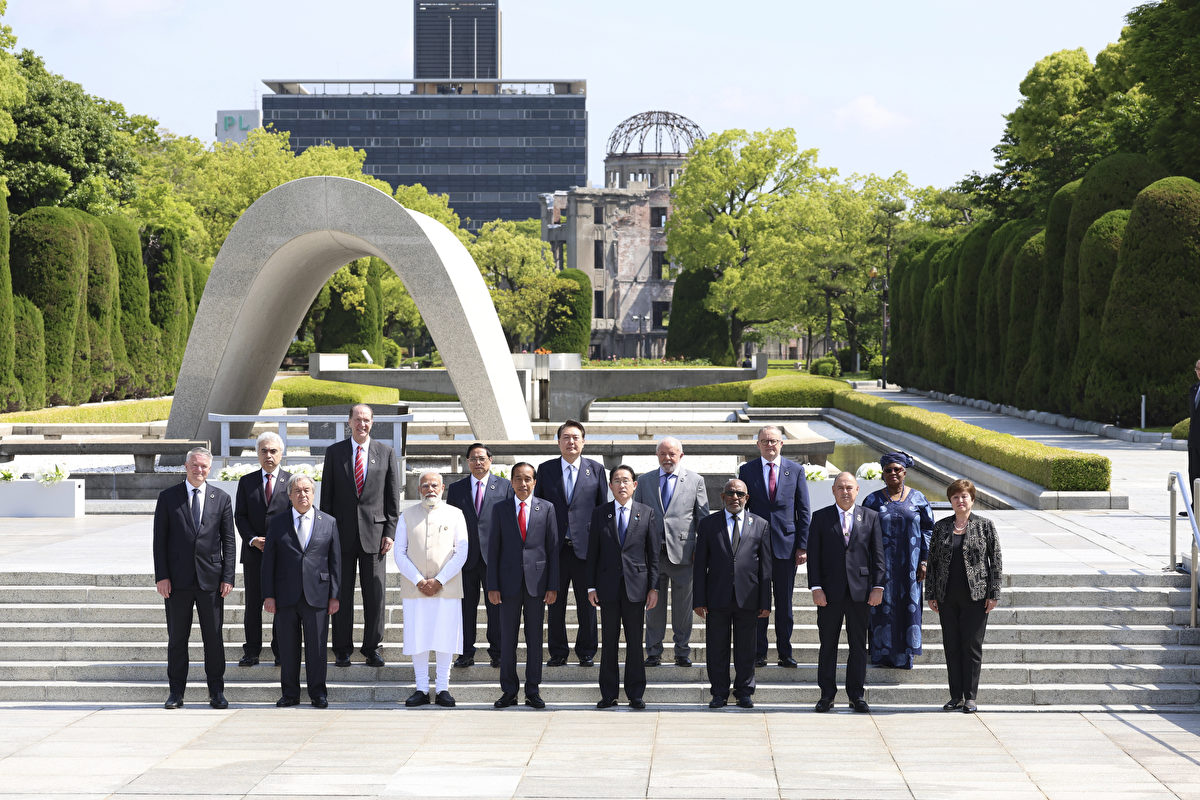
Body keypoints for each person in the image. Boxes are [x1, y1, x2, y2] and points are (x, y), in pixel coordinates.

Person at [153, 447, 235, 710]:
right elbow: (159, 542)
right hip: (177, 582)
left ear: (209, 469)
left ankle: (216, 692)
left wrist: (228, 576)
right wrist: (162, 576)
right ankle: (176, 692)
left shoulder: (221, 498)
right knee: (178, 638)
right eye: (195, 466)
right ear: (186, 466)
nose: (199, 470)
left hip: (211, 581)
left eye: (204, 467)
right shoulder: (168, 497)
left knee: (213, 639)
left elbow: (229, 542)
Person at [320, 403, 400, 668]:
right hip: (340, 535)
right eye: (358, 419)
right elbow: (327, 499)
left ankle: (371, 648)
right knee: (341, 593)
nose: (362, 424)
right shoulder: (334, 453)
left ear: (372, 423)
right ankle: (342, 649)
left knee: (375, 595)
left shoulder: (386, 453)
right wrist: (326, 533)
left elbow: (392, 499)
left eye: (366, 420)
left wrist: (390, 532)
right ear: (349, 422)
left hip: (375, 536)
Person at [808, 471, 885, 713]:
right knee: (828, 645)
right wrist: (816, 587)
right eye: (840, 487)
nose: (845, 492)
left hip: (860, 593)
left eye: (849, 487)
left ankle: (856, 695)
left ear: (857, 490)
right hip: (829, 593)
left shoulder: (870, 517)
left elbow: (878, 557)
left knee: (858, 646)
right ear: (833, 490)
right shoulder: (820, 517)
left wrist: (878, 587)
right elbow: (814, 557)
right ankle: (827, 695)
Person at [262, 475, 341, 708]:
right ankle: (290, 693)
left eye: (307, 490)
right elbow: (268, 563)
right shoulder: (277, 523)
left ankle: (318, 693)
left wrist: (335, 595)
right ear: (289, 495)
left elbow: (336, 562)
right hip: (285, 595)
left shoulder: (329, 522)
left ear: (313, 493)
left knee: (317, 648)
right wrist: (269, 595)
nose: (302, 495)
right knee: (287, 648)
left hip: (318, 594)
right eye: (297, 491)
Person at [692, 478, 771, 709]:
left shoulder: (761, 524)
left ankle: (744, 692)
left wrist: (766, 600)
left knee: (747, 648)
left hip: (749, 596)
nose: (734, 497)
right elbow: (700, 566)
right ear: (722, 497)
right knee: (717, 648)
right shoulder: (708, 524)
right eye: (730, 493)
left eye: (739, 494)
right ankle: (719, 693)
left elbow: (766, 567)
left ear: (747, 498)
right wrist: (699, 599)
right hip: (717, 596)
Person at [535, 419, 607, 667]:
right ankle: (558, 652)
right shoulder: (545, 470)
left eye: (576, 437)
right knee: (555, 602)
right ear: (558, 442)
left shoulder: (596, 470)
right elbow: (539, 509)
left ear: (584, 442)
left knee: (588, 603)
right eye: (566, 437)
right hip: (555, 548)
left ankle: (587, 651)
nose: (571, 442)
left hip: (586, 549)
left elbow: (602, 512)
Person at [737, 425, 810, 668]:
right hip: (755, 548)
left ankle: (784, 652)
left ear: (782, 444)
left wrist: (802, 546)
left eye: (774, 441)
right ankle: (759, 652)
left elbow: (804, 511)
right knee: (759, 602)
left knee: (784, 604)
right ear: (757, 444)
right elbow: (741, 510)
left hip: (786, 547)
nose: (770, 445)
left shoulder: (795, 470)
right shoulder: (746, 470)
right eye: (765, 441)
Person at [927, 478, 1003, 713]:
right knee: (952, 646)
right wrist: (930, 593)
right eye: (955, 497)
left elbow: (996, 561)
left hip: (976, 596)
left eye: (964, 496)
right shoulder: (941, 527)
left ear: (972, 499)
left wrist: (994, 592)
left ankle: (970, 697)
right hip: (947, 596)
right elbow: (932, 563)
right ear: (950, 501)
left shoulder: (985, 525)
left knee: (971, 646)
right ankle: (955, 696)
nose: (960, 501)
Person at [394, 471, 468, 707]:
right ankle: (422, 688)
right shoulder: (406, 515)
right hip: (416, 589)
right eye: (425, 485)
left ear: (443, 487)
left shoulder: (456, 515)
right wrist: (419, 580)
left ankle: (444, 688)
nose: (430, 489)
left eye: (434, 485)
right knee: (419, 637)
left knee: (445, 636)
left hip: (447, 587)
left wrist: (439, 581)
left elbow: (461, 552)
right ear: (418, 489)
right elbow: (399, 552)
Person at [587, 465, 659, 709]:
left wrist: (653, 588)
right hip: (607, 588)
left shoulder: (646, 513)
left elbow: (653, 555)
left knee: (634, 642)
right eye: (616, 480)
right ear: (610, 486)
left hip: (636, 588)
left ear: (635, 485)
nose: (622, 485)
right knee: (609, 642)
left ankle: (636, 693)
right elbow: (592, 553)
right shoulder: (600, 513)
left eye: (626, 480)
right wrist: (590, 587)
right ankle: (609, 694)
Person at [634, 437, 709, 668]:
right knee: (653, 607)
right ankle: (653, 652)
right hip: (653, 556)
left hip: (684, 555)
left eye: (672, 454)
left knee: (683, 608)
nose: (667, 458)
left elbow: (702, 519)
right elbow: (637, 516)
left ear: (681, 456)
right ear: (657, 456)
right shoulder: (645, 481)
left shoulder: (696, 480)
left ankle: (682, 651)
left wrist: (701, 551)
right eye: (663, 454)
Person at [488, 462, 559, 709]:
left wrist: (553, 585)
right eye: (518, 479)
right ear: (512, 482)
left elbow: (552, 549)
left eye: (527, 479)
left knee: (535, 639)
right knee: (507, 639)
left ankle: (533, 690)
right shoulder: (500, 509)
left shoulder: (547, 508)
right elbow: (493, 549)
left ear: (535, 482)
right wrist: (492, 585)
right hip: (507, 585)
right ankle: (509, 691)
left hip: (537, 585)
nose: (523, 484)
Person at [861, 451, 933, 669]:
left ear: (905, 472)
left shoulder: (919, 498)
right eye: (888, 470)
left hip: (909, 568)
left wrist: (924, 561)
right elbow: (862, 533)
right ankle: (880, 654)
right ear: (882, 474)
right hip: (881, 566)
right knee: (880, 608)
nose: (893, 473)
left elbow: (928, 530)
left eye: (897, 470)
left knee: (907, 608)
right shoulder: (872, 500)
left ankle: (904, 655)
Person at [446, 442, 513, 668]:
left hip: (495, 559)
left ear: (490, 460)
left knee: (496, 607)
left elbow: (510, 523)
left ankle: (498, 652)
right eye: (473, 459)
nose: (478, 463)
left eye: (482, 458)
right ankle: (466, 652)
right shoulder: (457, 489)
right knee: (466, 608)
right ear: (467, 462)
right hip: (466, 559)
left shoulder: (504, 486)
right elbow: (450, 524)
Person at [234, 432, 292, 668]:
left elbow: (295, 516)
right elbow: (240, 515)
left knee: (281, 603)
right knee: (253, 605)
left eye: (273, 451)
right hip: (254, 554)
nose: (268, 455)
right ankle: (252, 650)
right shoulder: (246, 482)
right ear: (257, 453)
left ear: (281, 453)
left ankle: (280, 650)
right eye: (264, 451)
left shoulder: (291, 482)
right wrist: (251, 539)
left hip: (283, 556)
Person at [1188, 359, 1200, 505]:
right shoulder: (1194, 389)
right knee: (1194, 473)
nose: (1199, 372)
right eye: (1197, 369)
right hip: (1194, 440)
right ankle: (1195, 505)